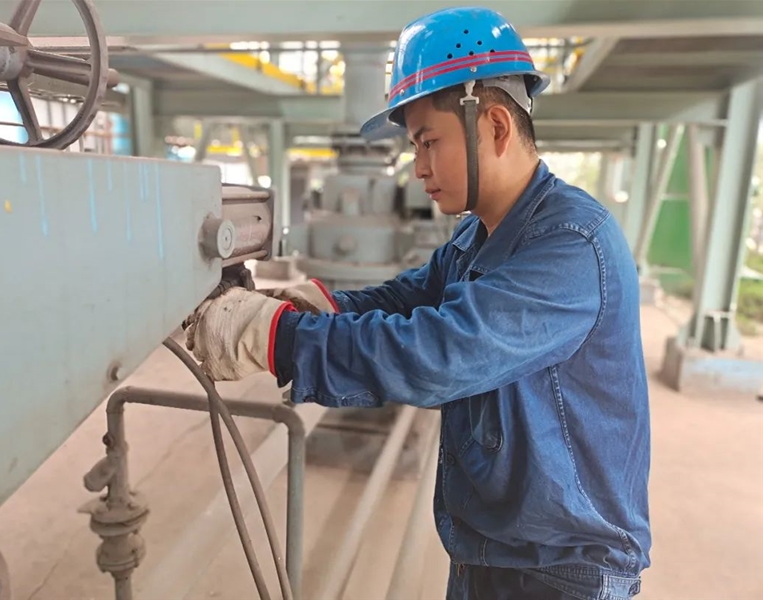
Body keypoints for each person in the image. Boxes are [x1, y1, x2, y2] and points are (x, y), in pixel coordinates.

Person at [185, 6, 651, 600]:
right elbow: (409, 297)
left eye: (429, 142)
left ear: (497, 127)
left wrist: (275, 338)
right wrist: (314, 306)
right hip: (492, 548)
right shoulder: (479, 231)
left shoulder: (570, 244)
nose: (419, 168)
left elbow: (440, 352)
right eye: (414, 146)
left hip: (563, 570)